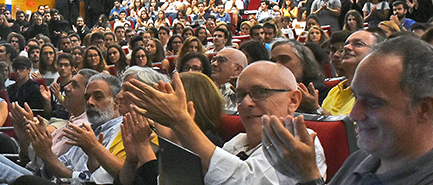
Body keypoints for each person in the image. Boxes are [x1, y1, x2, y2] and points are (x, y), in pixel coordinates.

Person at [262, 36, 433, 184]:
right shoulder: (360, 160)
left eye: (374, 102)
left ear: (424, 109)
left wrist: (307, 177)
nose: (354, 114)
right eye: (356, 97)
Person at [124, 64, 327, 184]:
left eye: (260, 92)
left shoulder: (303, 144)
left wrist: (181, 122)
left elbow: (242, 181)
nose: (246, 103)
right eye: (240, 96)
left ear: (293, 100)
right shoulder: (237, 143)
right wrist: (176, 140)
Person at [320, 29, 384, 115]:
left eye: (358, 44)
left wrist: (315, 108)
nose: (346, 47)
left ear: (377, 53)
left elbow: (349, 127)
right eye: (346, 44)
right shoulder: (335, 90)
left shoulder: (377, 93)